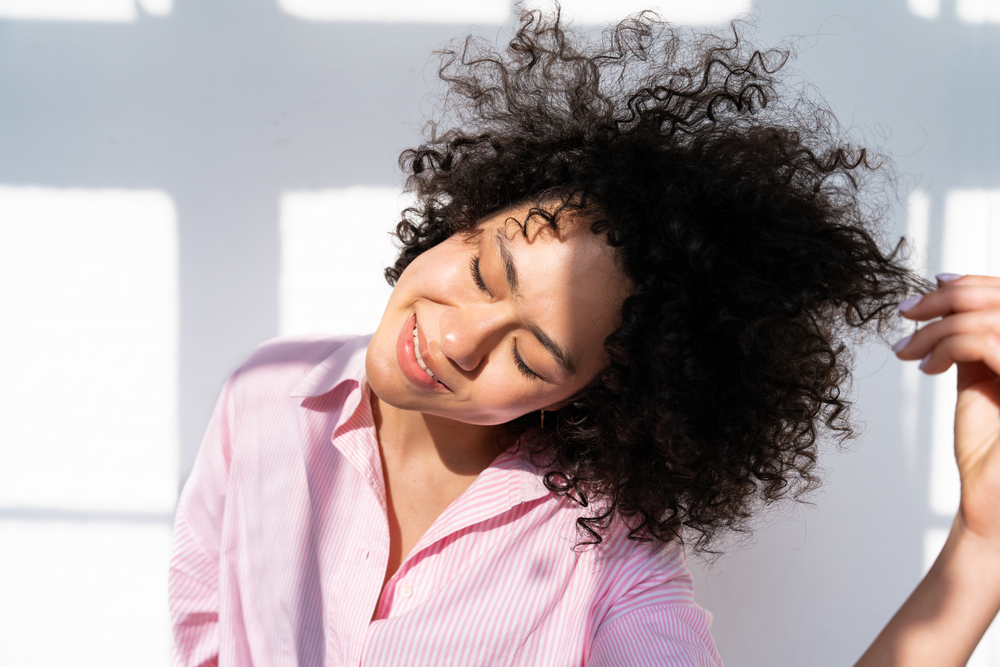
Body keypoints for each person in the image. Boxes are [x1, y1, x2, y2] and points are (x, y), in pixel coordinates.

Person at [168, 8, 1000, 666]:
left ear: (594, 394)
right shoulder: (263, 397)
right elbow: (204, 629)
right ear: (463, 217)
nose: (459, 339)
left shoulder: (603, 553)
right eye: (487, 269)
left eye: (533, 355)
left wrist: (984, 542)